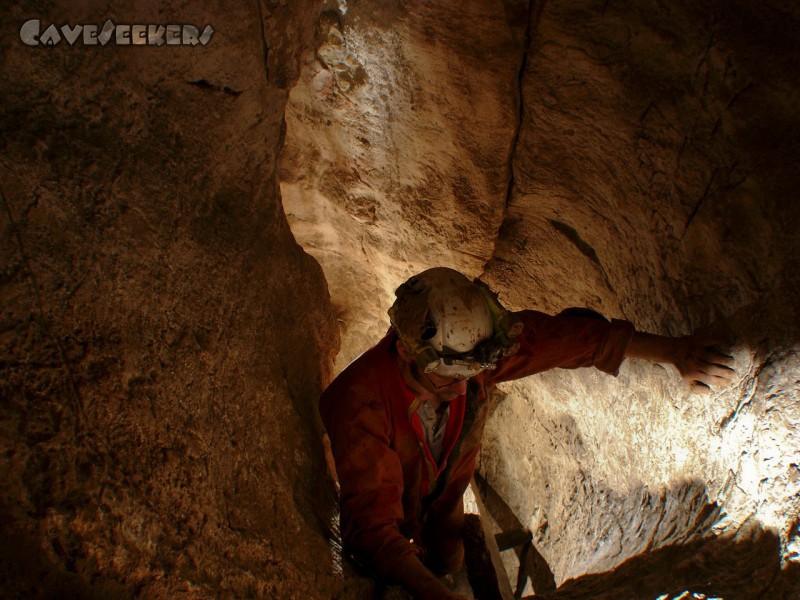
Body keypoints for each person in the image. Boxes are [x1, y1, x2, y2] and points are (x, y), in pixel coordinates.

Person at [319, 267, 736, 600]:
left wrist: (673, 352)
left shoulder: (473, 350)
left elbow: (566, 339)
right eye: (448, 379)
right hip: (400, 515)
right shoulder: (359, 402)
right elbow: (373, 528)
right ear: (407, 351)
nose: (464, 390)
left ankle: (446, 564)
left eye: (471, 375)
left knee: (449, 554)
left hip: (445, 503)